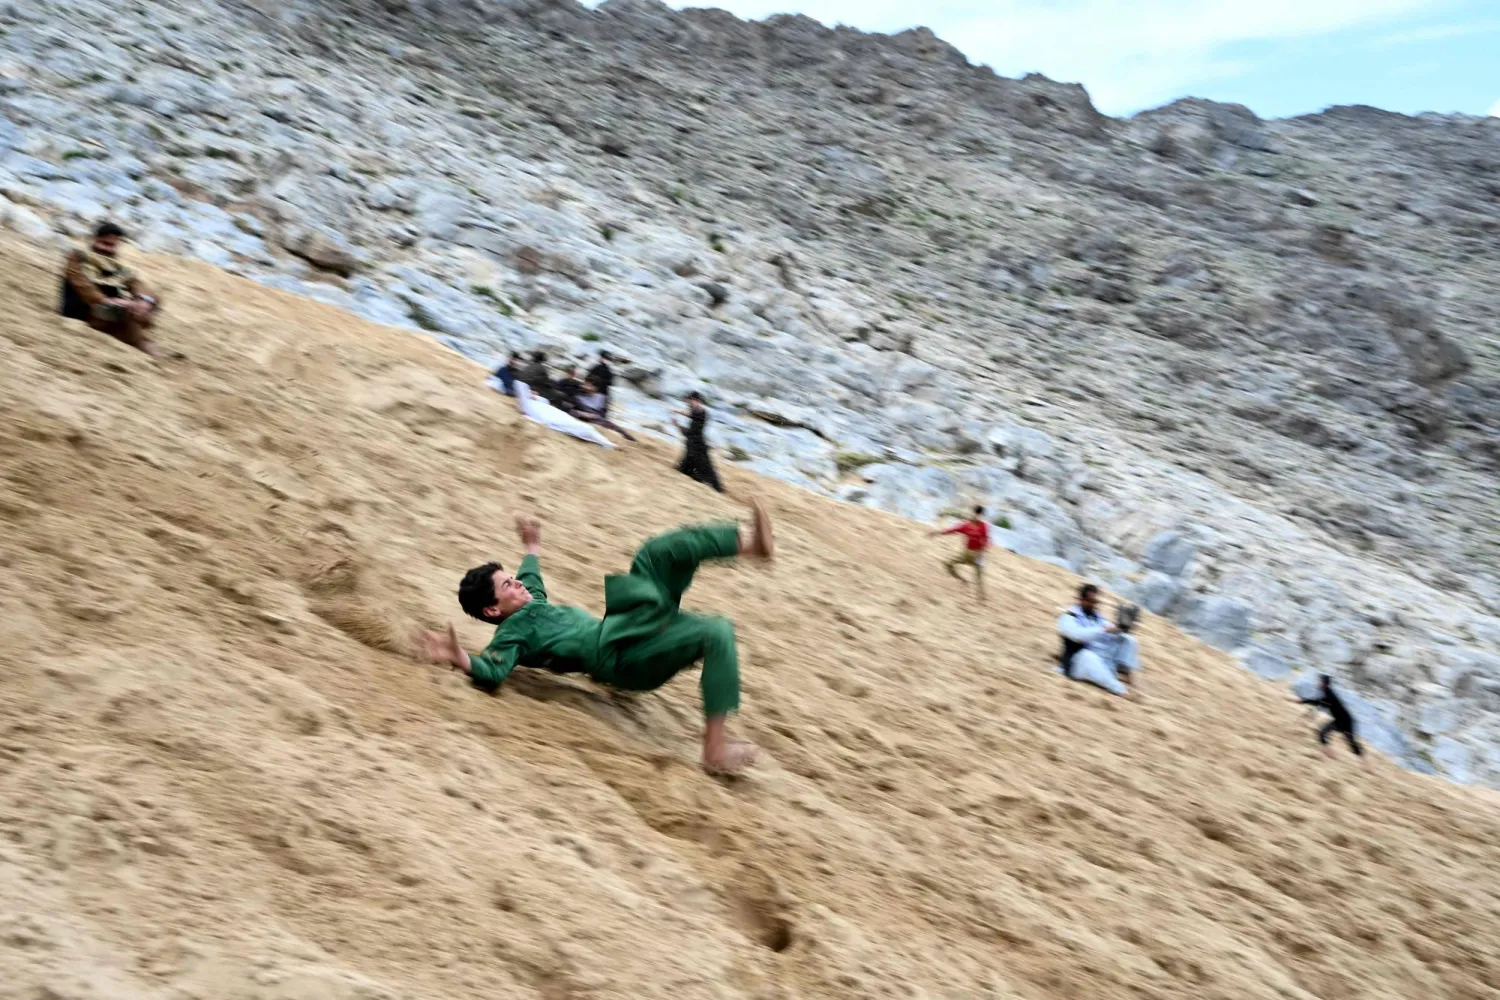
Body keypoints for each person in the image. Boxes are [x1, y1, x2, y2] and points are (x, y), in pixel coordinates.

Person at [416, 500, 777, 775]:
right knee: (713, 628)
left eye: (513, 578)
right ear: (493, 611)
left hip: (623, 633)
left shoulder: (532, 602)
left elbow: (531, 574)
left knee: (660, 557)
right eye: (508, 585)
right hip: (617, 657)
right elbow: (493, 670)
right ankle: (714, 751)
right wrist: (459, 657)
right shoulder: (514, 633)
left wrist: (531, 547)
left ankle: (748, 544)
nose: (519, 583)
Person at [60, 221, 167, 359]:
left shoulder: (115, 266)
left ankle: (143, 345)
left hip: (107, 313)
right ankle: (146, 348)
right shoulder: (79, 257)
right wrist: (109, 301)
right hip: (83, 311)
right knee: (131, 312)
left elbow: (136, 283)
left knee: (150, 300)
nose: (108, 249)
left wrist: (144, 300)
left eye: (113, 246)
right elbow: (83, 285)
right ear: (95, 240)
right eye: (104, 243)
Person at [1056, 584, 1142, 697]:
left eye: (1095, 602)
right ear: (1081, 600)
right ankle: (1120, 689)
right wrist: (1102, 630)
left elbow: (1110, 631)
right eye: (1090, 601)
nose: (1093, 605)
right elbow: (1077, 635)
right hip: (1077, 662)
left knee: (1128, 640)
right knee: (1088, 656)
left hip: (1100, 659)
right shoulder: (1069, 617)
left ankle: (1125, 676)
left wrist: (1121, 628)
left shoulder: (1097, 617)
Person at [1293, 674, 1365, 763]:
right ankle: (1331, 755)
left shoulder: (1329, 695)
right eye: (1319, 681)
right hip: (1338, 720)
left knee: (1351, 743)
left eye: (1320, 682)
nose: (1318, 683)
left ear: (1325, 684)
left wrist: (1303, 701)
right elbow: (1319, 703)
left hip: (1346, 721)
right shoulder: (1326, 692)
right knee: (1321, 733)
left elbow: (1318, 702)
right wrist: (1306, 703)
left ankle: (1365, 762)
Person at [931, 506, 990, 599]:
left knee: (979, 578)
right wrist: (937, 533)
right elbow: (952, 530)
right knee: (947, 564)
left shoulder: (984, 526)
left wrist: (983, 550)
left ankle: (981, 598)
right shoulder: (966, 525)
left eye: (980, 515)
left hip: (977, 556)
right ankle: (962, 580)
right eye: (976, 514)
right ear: (973, 513)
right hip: (966, 554)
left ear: (982, 516)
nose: (977, 516)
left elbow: (986, 539)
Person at [674, 392, 725, 493]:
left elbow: (692, 416)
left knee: (706, 468)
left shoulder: (702, 412)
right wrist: (677, 425)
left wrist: (677, 411)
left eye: (690, 401)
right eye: (688, 401)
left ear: (697, 401)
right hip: (692, 444)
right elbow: (689, 430)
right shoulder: (695, 412)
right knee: (684, 468)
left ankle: (718, 490)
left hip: (698, 445)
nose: (688, 403)